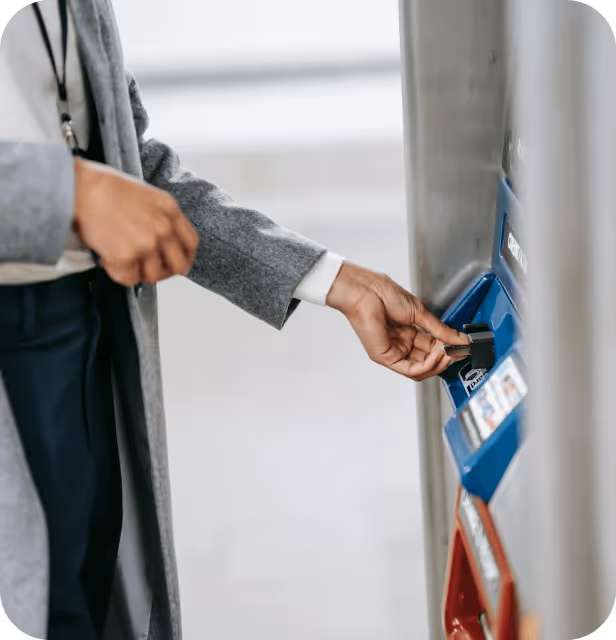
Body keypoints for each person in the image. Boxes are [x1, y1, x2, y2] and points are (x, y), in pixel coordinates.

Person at [0, 1, 469, 639]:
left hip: (84, 319)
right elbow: (97, 187)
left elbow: (135, 173)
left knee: (80, 599)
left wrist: (333, 279)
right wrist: (66, 192)